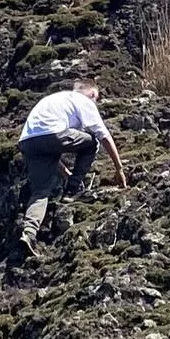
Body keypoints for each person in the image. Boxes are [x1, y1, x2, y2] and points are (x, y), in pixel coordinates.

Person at [16, 79, 128, 257]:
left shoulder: (54, 100)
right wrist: (119, 168)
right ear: (92, 94)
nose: (96, 103)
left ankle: (28, 234)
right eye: (96, 99)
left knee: (40, 192)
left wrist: (66, 173)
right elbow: (103, 135)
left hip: (28, 141)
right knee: (92, 143)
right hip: (53, 135)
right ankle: (72, 190)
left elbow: (48, 150)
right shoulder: (83, 100)